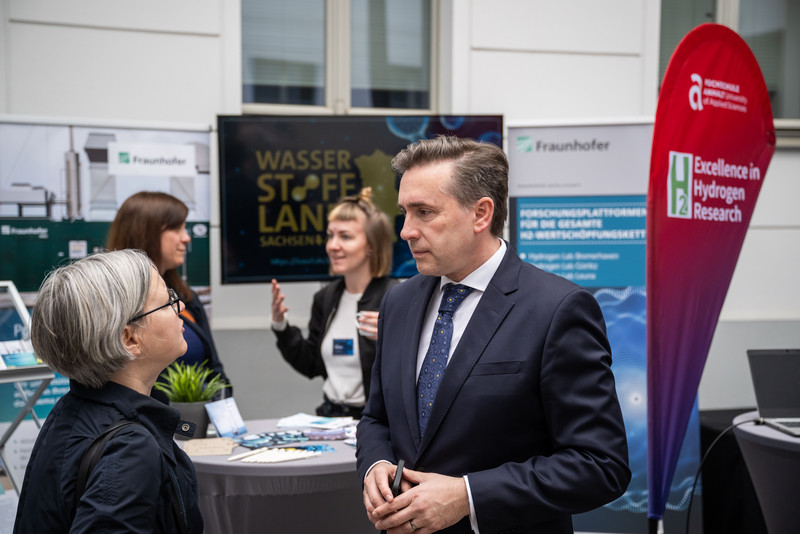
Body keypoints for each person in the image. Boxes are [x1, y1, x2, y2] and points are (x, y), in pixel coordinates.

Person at [356, 136, 631, 533]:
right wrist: (376, 464)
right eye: (404, 212)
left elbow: (600, 465)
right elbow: (376, 418)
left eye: (424, 212)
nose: (406, 231)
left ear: (481, 214)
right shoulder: (399, 303)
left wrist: (468, 496)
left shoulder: (557, 309)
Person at [13, 249, 203, 533]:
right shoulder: (129, 448)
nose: (178, 309)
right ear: (129, 338)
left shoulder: (71, 408)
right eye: (166, 302)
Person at [270, 187, 398, 418]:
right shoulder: (326, 298)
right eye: (330, 235)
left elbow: (416, 370)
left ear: (372, 245)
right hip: (330, 421)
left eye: (345, 236)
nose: (332, 245)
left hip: (376, 425)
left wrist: (394, 336)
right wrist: (281, 326)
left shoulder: (396, 297)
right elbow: (311, 364)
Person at [107, 191, 231, 394]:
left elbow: (215, 371)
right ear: (146, 231)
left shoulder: (186, 297)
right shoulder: (113, 302)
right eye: (176, 228)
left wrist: (225, 414)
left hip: (195, 423)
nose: (186, 238)